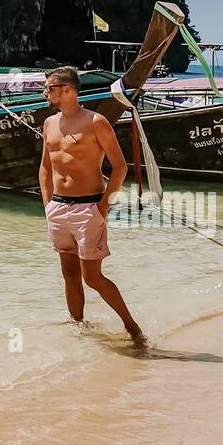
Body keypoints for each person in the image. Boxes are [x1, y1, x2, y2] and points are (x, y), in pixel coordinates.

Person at [39, 66, 146, 348]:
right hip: (58, 210)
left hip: (89, 209)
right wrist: (47, 204)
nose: (44, 93)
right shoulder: (49, 123)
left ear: (67, 90)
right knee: (70, 275)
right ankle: (79, 330)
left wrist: (103, 207)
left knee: (93, 277)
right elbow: (45, 166)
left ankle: (133, 328)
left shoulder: (96, 121)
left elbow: (121, 166)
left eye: (49, 88)